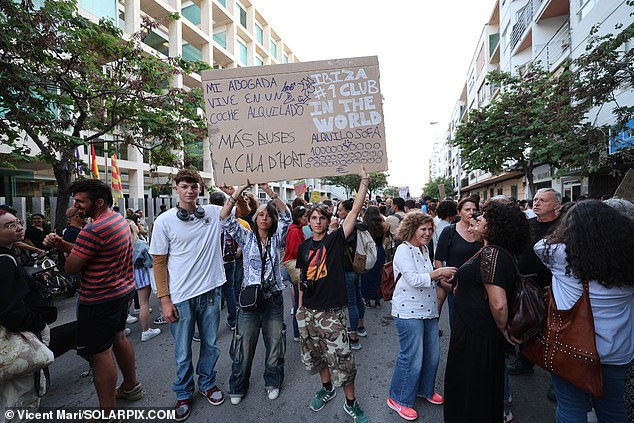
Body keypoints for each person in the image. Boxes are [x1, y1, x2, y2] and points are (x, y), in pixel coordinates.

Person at [43, 179, 142, 413]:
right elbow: (92, 252)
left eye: (80, 201)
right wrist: (66, 244)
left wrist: (61, 249)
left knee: (100, 353)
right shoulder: (116, 219)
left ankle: (107, 413)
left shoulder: (93, 229)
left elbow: (72, 268)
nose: (76, 206)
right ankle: (131, 386)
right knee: (119, 338)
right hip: (121, 293)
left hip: (99, 299)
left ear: (98, 202)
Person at [534, 200, 634, 423]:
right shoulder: (629, 259)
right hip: (618, 353)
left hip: (572, 350)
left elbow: (539, 245)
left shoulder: (559, 256)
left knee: (571, 409)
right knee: (614, 411)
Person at [148, 169, 226, 420]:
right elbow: (158, 263)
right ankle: (183, 392)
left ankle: (207, 384)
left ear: (200, 189)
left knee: (211, 344)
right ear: (176, 189)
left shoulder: (213, 213)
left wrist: (236, 193)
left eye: (194, 186)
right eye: (184, 186)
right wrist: (164, 300)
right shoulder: (164, 221)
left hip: (211, 292)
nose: (190, 191)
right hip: (181, 297)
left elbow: (243, 212)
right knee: (182, 351)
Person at [444, 200, 529, 423]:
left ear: (494, 226)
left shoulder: (492, 254)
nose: (476, 219)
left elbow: (498, 302)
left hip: (477, 333)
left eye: (482, 218)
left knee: (473, 387)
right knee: (479, 386)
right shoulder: (497, 252)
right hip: (477, 330)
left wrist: (502, 329)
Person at [295, 168, 370, 423]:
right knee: (318, 358)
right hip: (309, 313)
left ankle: (351, 404)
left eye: (321, 218)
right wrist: (300, 309)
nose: (317, 221)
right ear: (308, 221)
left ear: (328, 222)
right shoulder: (304, 247)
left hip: (332, 314)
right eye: (313, 217)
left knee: (345, 363)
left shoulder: (336, 240)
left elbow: (355, 211)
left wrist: (364, 181)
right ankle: (326, 389)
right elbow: (302, 280)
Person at [219, 182, 291, 404]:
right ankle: (238, 385)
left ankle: (273, 382)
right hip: (249, 301)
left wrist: (269, 192)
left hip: (273, 300)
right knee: (243, 345)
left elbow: (287, 216)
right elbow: (224, 219)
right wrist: (237, 192)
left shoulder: (277, 237)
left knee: (275, 344)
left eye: (268, 215)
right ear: (255, 218)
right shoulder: (246, 237)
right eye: (260, 215)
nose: (264, 218)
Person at [386, 212, 457, 421]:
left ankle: (425, 390)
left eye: (429, 229)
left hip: (428, 309)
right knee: (411, 358)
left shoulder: (424, 248)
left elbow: (427, 278)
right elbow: (415, 279)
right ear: (412, 229)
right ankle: (398, 398)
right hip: (408, 312)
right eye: (423, 229)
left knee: (432, 355)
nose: (427, 233)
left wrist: (443, 279)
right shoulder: (403, 250)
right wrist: (438, 272)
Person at [0, 209, 57, 415]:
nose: (18, 228)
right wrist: (38, 324)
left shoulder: (9, 255)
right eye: (9, 226)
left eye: (17, 222)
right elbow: (10, 309)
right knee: (16, 402)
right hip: (15, 339)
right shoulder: (4, 261)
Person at [511, 188, 562, 376]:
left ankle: (557, 374)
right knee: (526, 321)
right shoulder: (527, 224)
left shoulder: (563, 227)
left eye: (543, 200)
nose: (536, 203)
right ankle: (524, 361)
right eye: (535, 199)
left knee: (553, 329)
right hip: (525, 285)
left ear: (557, 205)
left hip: (553, 287)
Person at [434, 196, 482, 329]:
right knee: (457, 325)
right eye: (467, 209)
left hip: (477, 287)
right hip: (455, 287)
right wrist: (443, 281)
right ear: (459, 212)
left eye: (474, 209)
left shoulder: (482, 233)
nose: (471, 212)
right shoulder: (449, 231)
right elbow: (439, 258)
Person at [335, 198, 366, 347]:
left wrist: (334, 230)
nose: (338, 212)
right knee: (358, 296)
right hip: (356, 266)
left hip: (348, 268)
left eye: (340, 210)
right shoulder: (359, 225)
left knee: (352, 301)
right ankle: (360, 325)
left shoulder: (349, 227)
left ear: (348, 211)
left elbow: (339, 244)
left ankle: (353, 335)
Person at [129, 221, 160, 342]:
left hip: (127, 274)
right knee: (144, 303)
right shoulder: (140, 244)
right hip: (140, 273)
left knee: (126, 302)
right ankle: (146, 330)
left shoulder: (120, 243)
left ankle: (120, 330)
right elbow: (150, 260)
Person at [282, 205, 308, 342]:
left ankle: (299, 332)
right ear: (299, 218)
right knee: (299, 302)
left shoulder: (296, 229)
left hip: (297, 266)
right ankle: (298, 332)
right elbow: (295, 252)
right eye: (305, 217)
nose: (307, 219)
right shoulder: (295, 231)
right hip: (296, 268)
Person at [361, 206, 388, 308]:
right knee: (378, 276)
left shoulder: (364, 226)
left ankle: (367, 299)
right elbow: (383, 239)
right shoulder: (383, 225)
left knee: (366, 275)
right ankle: (377, 299)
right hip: (379, 250)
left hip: (367, 250)